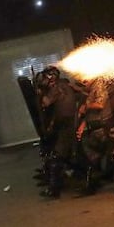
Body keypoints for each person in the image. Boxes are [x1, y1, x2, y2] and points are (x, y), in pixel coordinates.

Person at [76, 77, 114, 196]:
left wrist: (87, 106)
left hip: (105, 127)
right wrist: (83, 124)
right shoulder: (91, 88)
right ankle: (91, 186)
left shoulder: (99, 85)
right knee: (92, 156)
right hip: (95, 128)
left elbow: (100, 104)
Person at [38, 66, 78, 199]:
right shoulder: (65, 85)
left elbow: (45, 102)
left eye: (46, 77)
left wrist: (41, 90)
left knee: (56, 156)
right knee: (64, 155)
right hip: (70, 124)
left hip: (67, 126)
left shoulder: (57, 88)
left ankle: (54, 190)